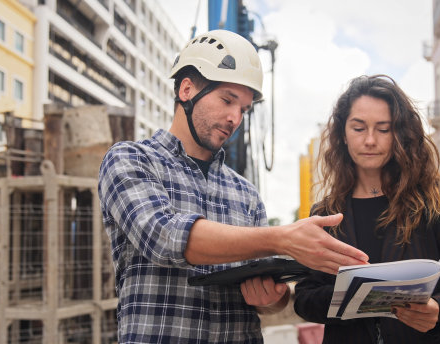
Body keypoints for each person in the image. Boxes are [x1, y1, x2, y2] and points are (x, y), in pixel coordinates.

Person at [98, 30, 369, 343]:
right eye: (227, 100)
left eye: (243, 109)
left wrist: (270, 298)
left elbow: (273, 304)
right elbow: (164, 236)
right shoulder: (130, 160)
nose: (234, 118)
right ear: (187, 89)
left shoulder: (246, 193)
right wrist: (283, 239)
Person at [293, 75, 440, 344]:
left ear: (400, 135)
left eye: (383, 129)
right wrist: (350, 297)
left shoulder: (437, 203)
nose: (370, 140)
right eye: (359, 128)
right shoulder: (325, 214)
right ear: (343, 135)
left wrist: (438, 311)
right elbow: (304, 298)